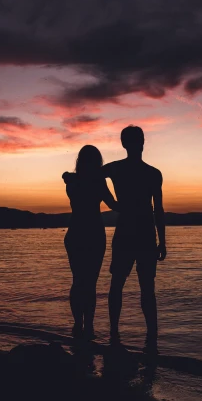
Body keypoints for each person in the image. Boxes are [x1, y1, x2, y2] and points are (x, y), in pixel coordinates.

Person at [102, 126, 166, 348]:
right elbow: (158, 209)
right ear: (139, 143)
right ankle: (142, 336)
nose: (141, 143)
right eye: (139, 139)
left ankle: (140, 335)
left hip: (138, 233)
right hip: (137, 233)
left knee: (137, 286)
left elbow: (158, 209)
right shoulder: (149, 173)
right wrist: (112, 202)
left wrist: (163, 241)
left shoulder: (144, 172)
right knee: (127, 284)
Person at [62, 145, 119, 341]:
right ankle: (88, 327)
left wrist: (70, 176)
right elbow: (113, 205)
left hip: (76, 233)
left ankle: (80, 325)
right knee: (89, 283)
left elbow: (73, 182)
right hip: (92, 233)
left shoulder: (72, 181)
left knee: (79, 281)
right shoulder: (96, 182)